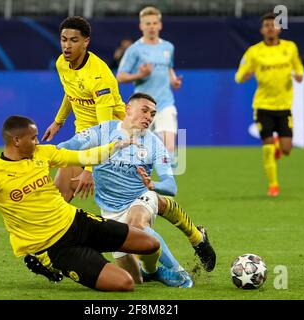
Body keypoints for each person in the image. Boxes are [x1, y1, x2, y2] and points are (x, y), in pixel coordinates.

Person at [0, 115, 165, 292]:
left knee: (151, 244)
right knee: (125, 283)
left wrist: (114, 147)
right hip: (54, 247)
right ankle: (48, 263)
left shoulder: (43, 154)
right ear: (16, 141)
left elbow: (82, 157)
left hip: (76, 221)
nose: (37, 142)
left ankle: (148, 270)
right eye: (33, 138)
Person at [55, 93, 216, 286]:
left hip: (140, 198)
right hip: (110, 212)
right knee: (135, 279)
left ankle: (179, 273)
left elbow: (171, 185)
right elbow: (66, 146)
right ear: (128, 109)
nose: (149, 117)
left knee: (137, 224)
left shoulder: (154, 143)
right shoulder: (102, 132)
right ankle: (153, 271)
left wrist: (152, 185)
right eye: (145, 110)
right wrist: (39, 156)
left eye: (153, 114)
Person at [42, 16, 126, 203]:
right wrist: (58, 121)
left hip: (114, 140)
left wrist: (89, 169)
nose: (67, 46)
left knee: (131, 200)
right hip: (84, 138)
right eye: (64, 40)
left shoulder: (99, 77)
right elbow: (70, 93)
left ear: (86, 41)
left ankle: (192, 230)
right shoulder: (62, 63)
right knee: (59, 196)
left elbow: (104, 129)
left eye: (74, 40)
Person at [235, 13, 304, 197]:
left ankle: (276, 147)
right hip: (263, 105)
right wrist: (246, 75)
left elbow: (298, 67)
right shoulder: (254, 52)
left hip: (283, 106)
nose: (270, 28)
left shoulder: (290, 48)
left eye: (273, 25)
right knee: (267, 145)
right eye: (266, 25)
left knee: (286, 149)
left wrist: (299, 74)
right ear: (261, 30)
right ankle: (273, 185)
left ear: (279, 28)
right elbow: (239, 76)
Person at [116, 6, 182, 168]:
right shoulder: (134, 50)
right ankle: (140, 188)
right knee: (136, 153)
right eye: (147, 23)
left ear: (160, 25)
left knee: (169, 150)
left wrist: (173, 81)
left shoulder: (168, 47)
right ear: (141, 26)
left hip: (165, 104)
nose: (151, 27)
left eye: (154, 23)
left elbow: (168, 67)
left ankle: (167, 191)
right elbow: (120, 76)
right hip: (142, 107)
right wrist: (140, 75)